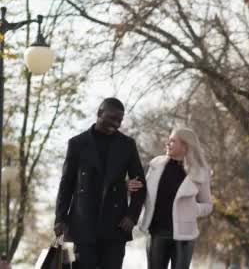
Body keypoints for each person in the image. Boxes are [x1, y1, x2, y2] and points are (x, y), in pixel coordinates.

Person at [54, 97, 146, 269]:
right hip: (83, 223)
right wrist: (60, 218)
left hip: (116, 225)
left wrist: (132, 216)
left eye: (120, 120)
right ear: (99, 113)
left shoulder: (127, 145)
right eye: (112, 118)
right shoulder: (77, 144)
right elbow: (66, 184)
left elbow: (140, 185)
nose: (117, 124)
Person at [128, 127, 213, 269]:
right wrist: (130, 186)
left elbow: (207, 205)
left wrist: (194, 209)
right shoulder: (156, 165)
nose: (167, 144)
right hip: (157, 233)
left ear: (185, 145)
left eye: (172, 141)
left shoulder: (199, 172)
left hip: (184, 237)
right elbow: (144, 194)